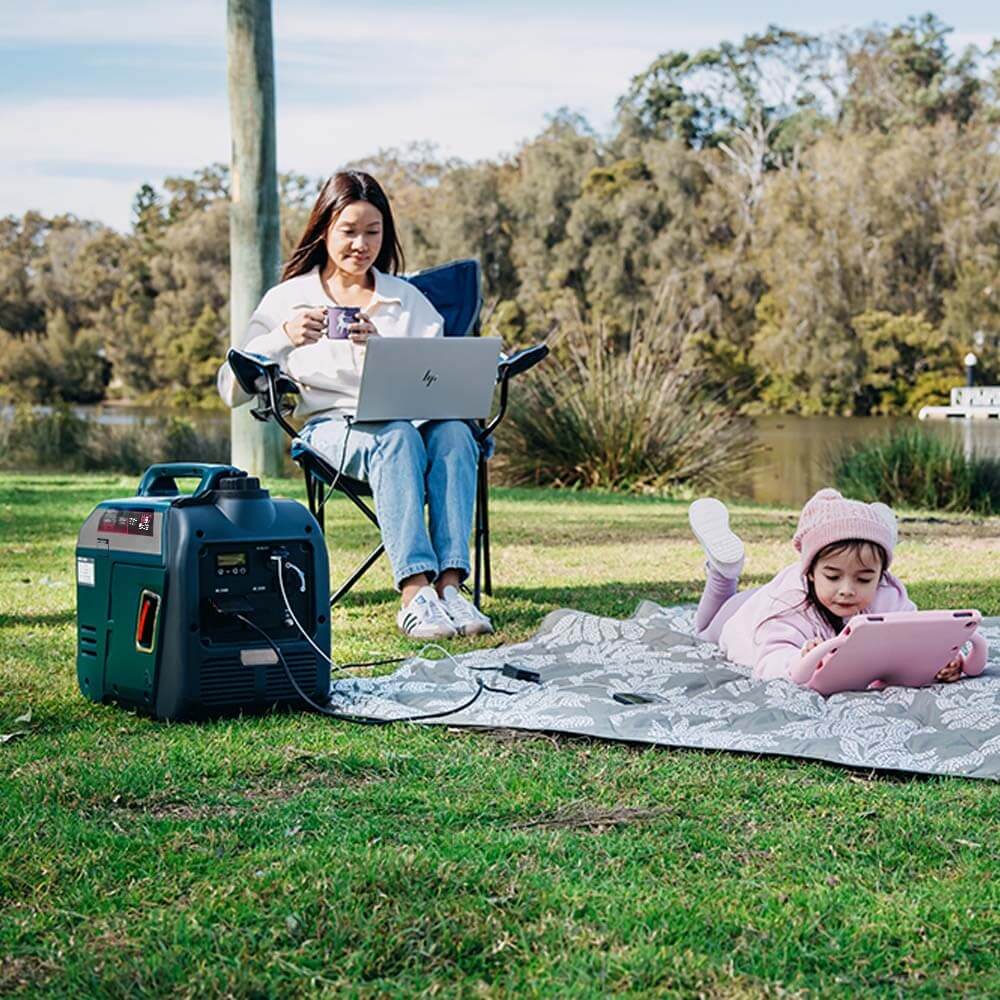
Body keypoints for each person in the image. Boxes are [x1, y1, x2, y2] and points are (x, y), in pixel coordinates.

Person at [217, 170, 492, 640]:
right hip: (332, 429)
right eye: (349, 231)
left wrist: (385, 350)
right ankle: (414, 592)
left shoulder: (407, 300)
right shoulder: (289, 299)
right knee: (396, 436)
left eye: (372, 232)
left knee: (453, 433)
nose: (360, 245)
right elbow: (229, 388)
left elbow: (440, 379)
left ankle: (450, 588)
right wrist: (282, 339)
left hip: (411, 423)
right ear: (325, 229)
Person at [687, 488, 963, 683]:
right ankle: (724, 572)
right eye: (833, 577)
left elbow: (917, 635)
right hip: (741, 611)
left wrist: (945, 660)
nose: (847, 589)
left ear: (880, 577)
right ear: (809, 572)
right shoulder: (787, 605)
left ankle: (874, 530)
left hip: (775, 595)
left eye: (864, 578)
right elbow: (770, 660)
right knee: (702, 630)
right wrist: (799, 660)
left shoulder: (887, 593)